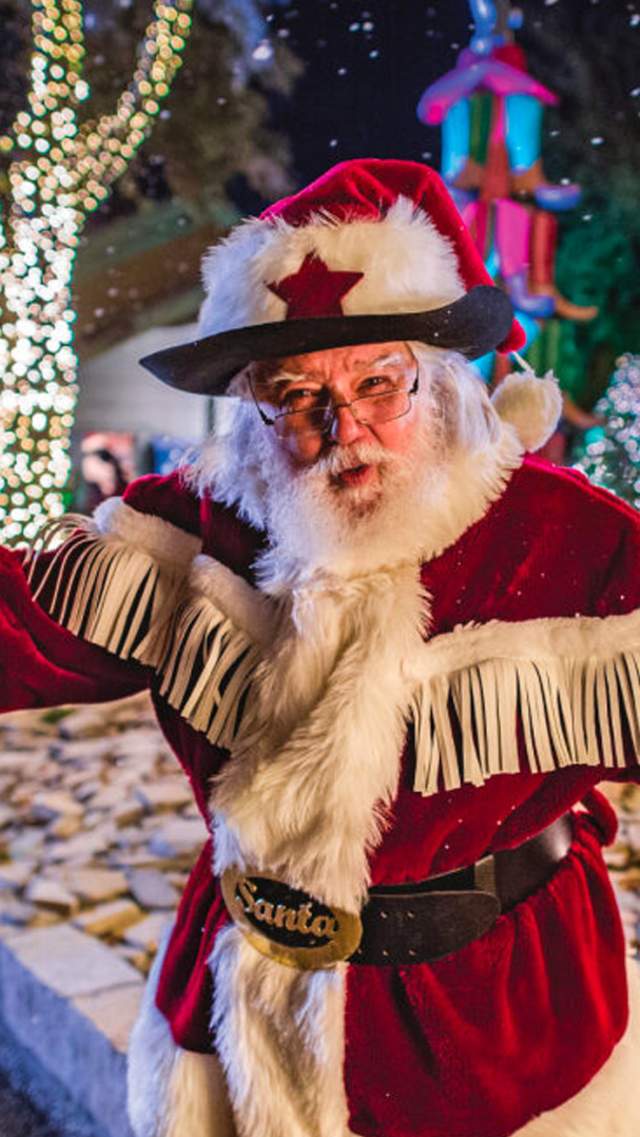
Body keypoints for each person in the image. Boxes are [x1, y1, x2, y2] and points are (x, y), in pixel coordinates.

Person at [1, 159, 639, 1137]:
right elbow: (21, 628)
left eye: (377, 382)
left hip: (500, 1028)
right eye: (294, 396)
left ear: (441, 378)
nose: (342, 429)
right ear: (252, 413)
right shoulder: (195, 531)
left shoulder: (574, 544)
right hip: (242, 1007)